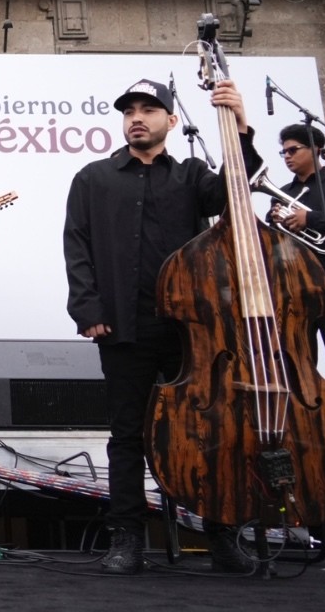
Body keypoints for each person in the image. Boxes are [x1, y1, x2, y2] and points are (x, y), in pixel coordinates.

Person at [63, 77, 260, 575]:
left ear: (170, 120)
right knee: (126, 435)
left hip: (192, 330)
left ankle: (221, 535)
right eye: (129, 109)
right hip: (123, 329)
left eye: (148, 109)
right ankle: (127, 539)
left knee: (209, 430)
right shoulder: (93, 178)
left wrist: (240, 127)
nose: (136, 116)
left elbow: (236, 191)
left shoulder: (192, 175)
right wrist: (88, 310)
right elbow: (77, 247)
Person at [263, 124, 325, 381]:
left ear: (316, 149)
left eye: (293, 150)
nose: (287, 156)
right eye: (283, 152)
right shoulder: (283, 194)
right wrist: (273, 219)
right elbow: (272, 242)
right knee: (298, 366)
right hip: (294, 290)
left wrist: (310, 219)